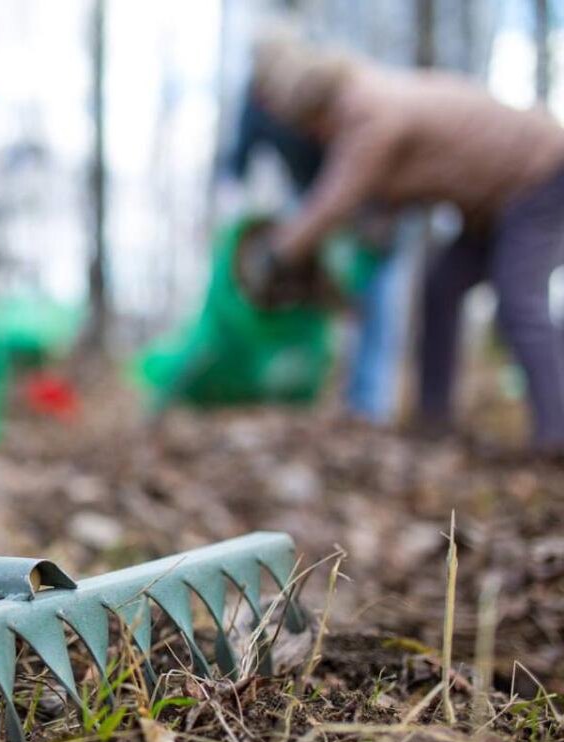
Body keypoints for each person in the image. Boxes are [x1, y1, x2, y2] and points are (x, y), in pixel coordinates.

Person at [255, 34, 564, 452]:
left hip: (540, 173)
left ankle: (555, 434)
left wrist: (279, 251)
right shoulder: (373, 94)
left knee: (518, 300)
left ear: (319, 112)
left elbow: (336, 198)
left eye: (313, 129)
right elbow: (390, 198)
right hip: (493, 202)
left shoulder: (371, 114)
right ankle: (433, 420)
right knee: (440, 288)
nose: (317, 139)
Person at [223, 89, 415, 426]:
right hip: (312, 203)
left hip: (369, 206)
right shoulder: (257, 104)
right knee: (311, 299)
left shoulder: (349, 108)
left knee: (374, 301)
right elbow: (237, 164)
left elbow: (349, 185)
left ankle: (369, 405)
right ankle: (307, 391)